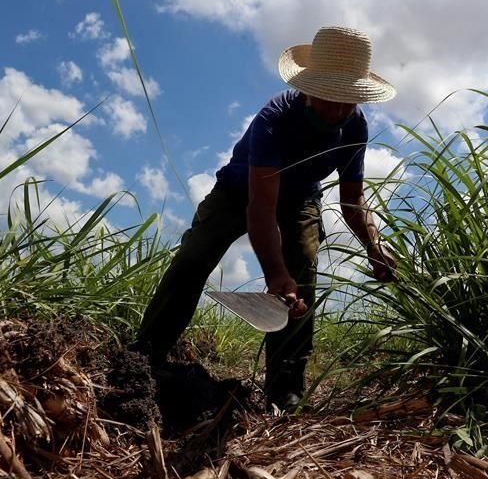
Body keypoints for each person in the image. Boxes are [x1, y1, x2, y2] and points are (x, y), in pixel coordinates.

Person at [134, 25, 397, 410]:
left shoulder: (355, 126)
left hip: (302, 197)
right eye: (329, 98)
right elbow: (260, 206)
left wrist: (374, 246)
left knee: (302, 272)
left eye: (349, 100)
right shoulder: (276, 118)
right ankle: (143, 358)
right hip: (239, 191)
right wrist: (274, 274)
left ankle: (285, 389)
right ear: (308, 88)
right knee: (194, 258)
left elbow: (352, 199)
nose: (338, 110)